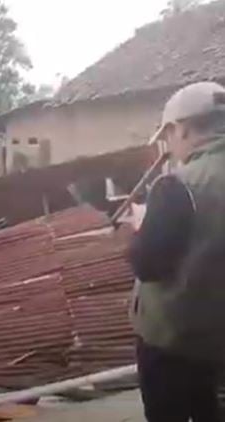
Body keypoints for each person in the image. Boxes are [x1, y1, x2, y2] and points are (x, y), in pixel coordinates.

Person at [130, 81, 225, 422]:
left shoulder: (177, 186)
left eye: (167, 138)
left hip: (175, 342)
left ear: (180, 129)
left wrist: (142, 224)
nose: (169, 148)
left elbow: (147, 264)